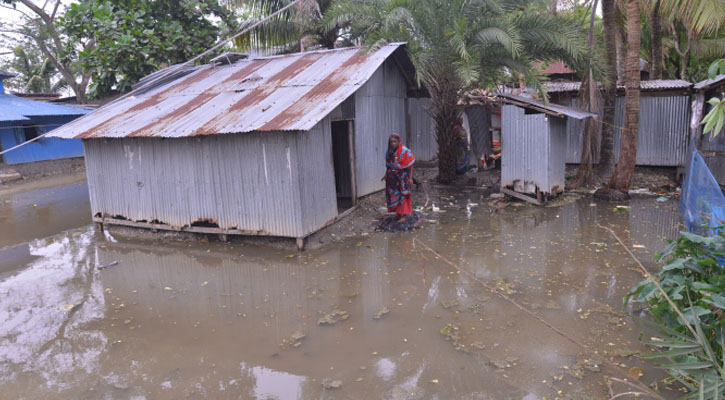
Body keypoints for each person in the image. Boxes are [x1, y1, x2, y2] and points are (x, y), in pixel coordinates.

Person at [382, 133, 415, 222]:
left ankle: (404, 215)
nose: (393, 144)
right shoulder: (389, 152)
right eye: (391, 142)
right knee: (394, 195)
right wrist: (386, 175)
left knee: (403, 195)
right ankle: (398, 213)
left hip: (403, 178)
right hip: (392, 179)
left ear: (399, 142)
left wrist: (410, 178)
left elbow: (411, 164)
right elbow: (389, 165)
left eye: (395, 141)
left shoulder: (404, 151)